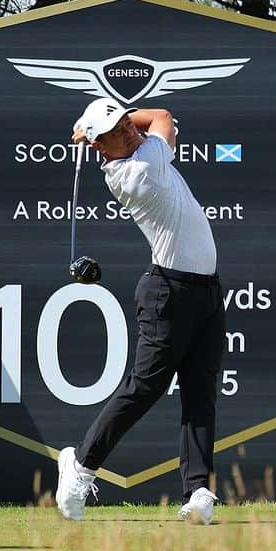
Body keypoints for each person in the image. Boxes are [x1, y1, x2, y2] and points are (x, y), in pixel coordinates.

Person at [55, 97, 226, 525]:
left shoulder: (135, 149)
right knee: (145, 387)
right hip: (167, 291)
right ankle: (79, 467)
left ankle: (198, 490)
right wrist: (110, 125)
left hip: (205, 290)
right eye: (117, 131)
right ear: (99, 148)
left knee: (200, 392)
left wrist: (104, 124)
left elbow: (147, 125)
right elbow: (163, 118)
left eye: (126, 123)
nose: (129, 131)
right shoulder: (139, 169)